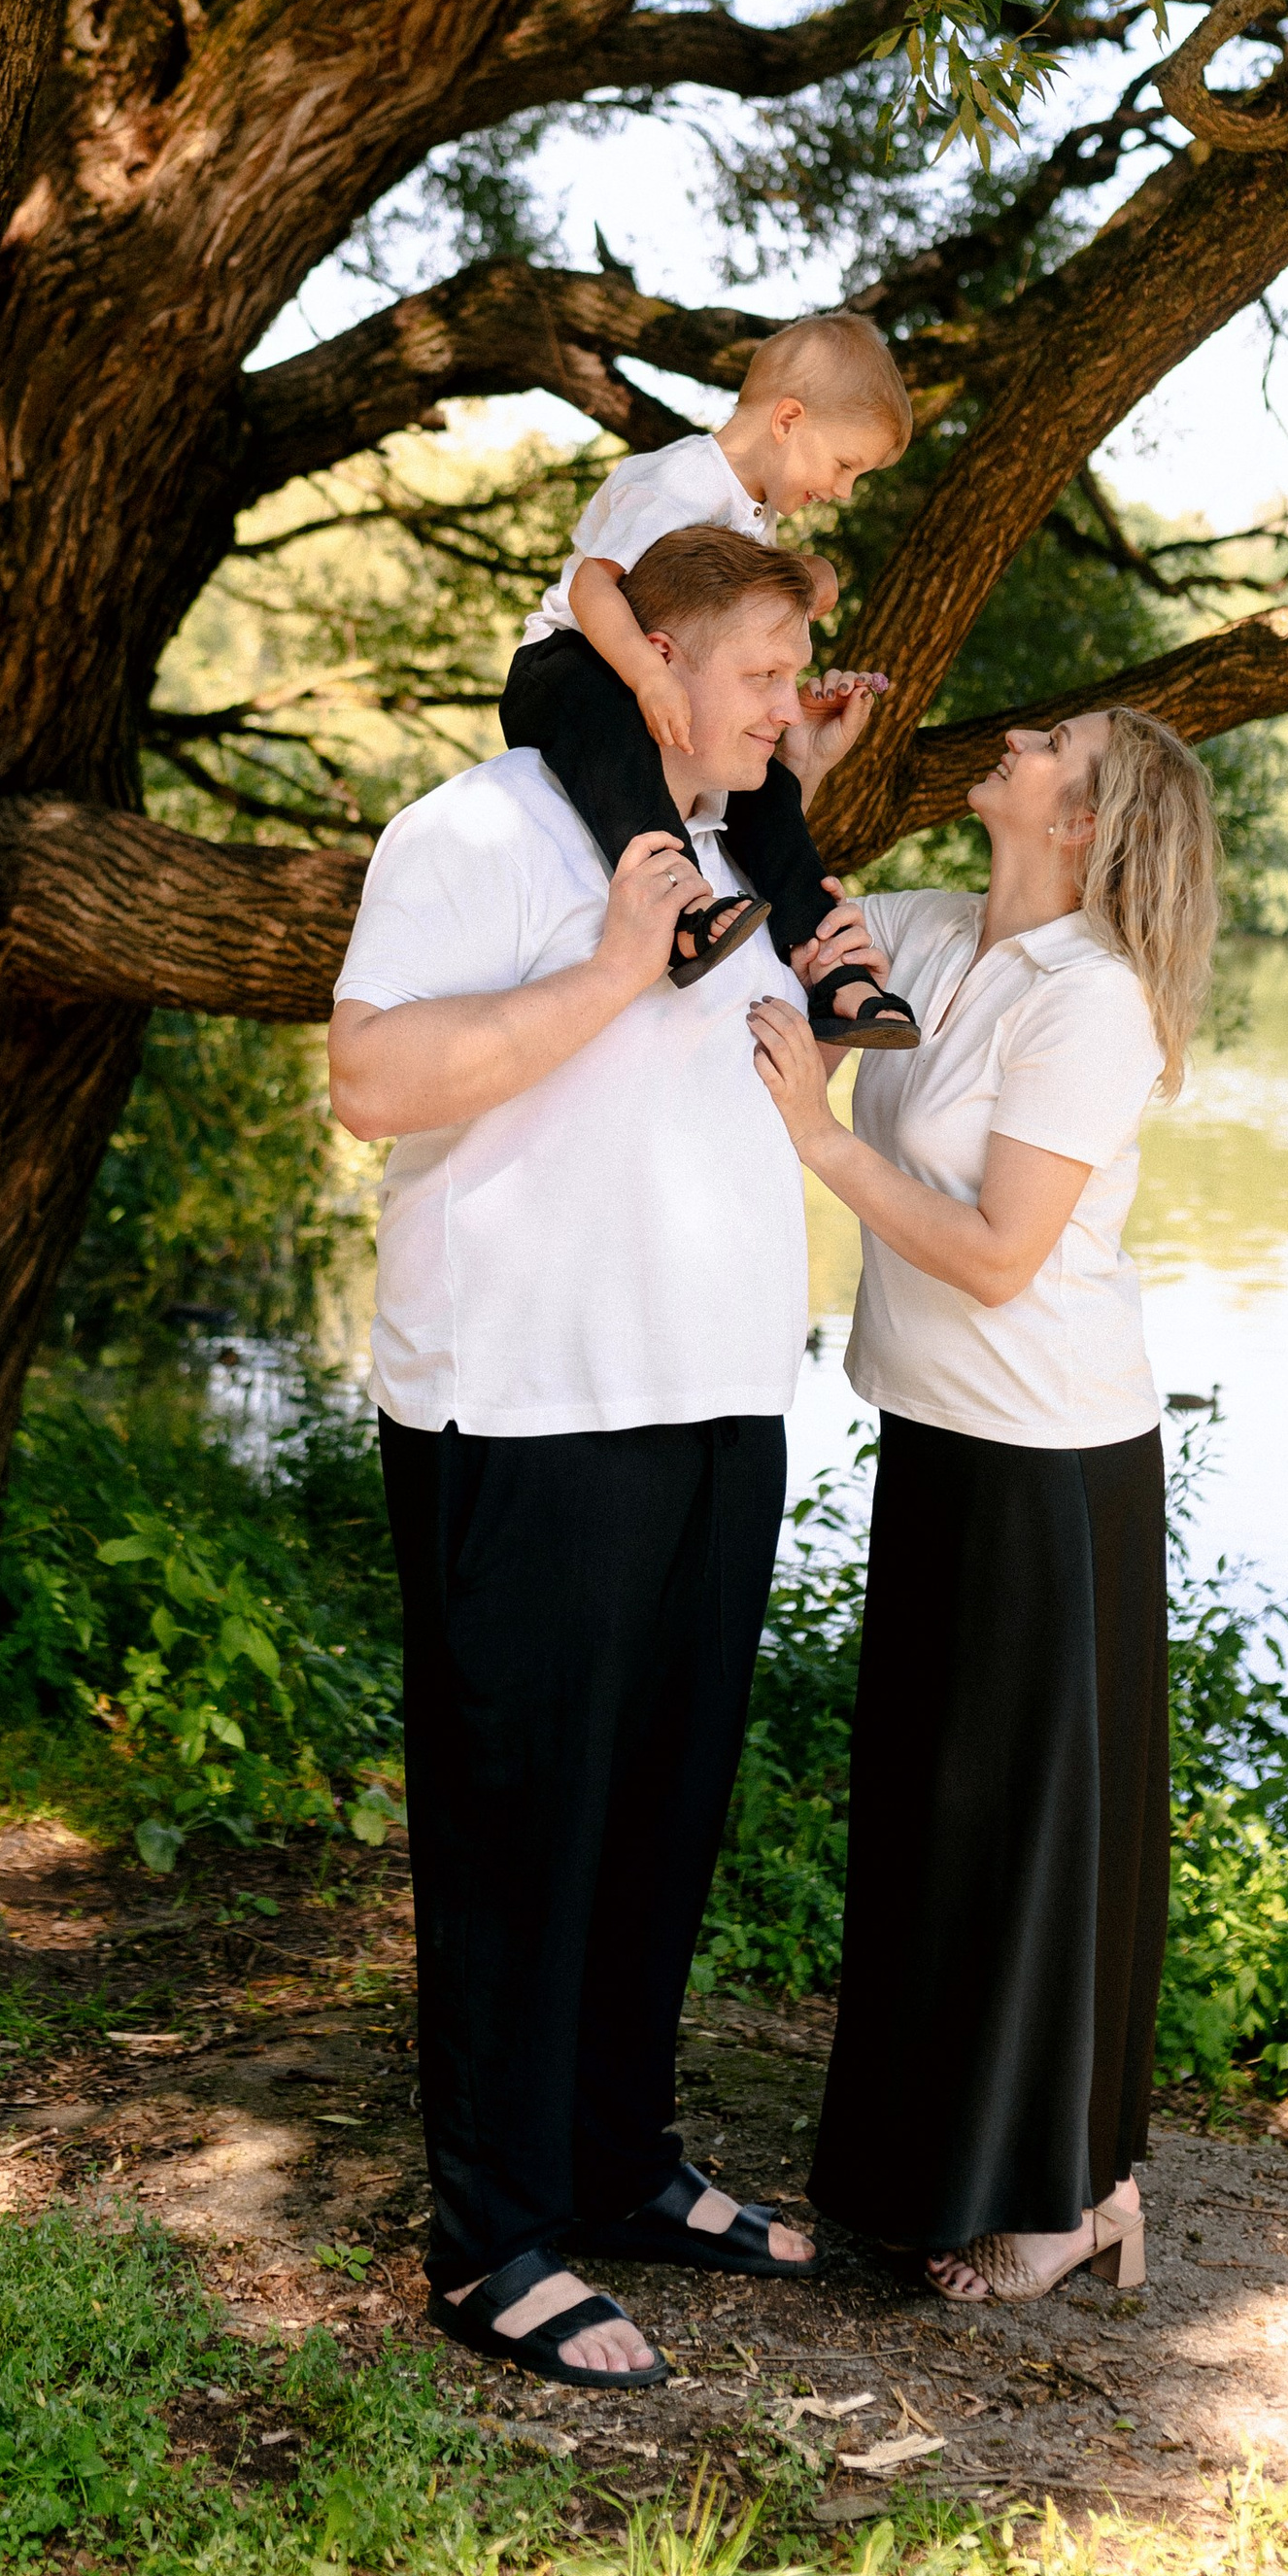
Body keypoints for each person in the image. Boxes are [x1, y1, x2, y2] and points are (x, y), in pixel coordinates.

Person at [328, 530, 873, 2390]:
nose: (785, 709)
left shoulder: (737, 848)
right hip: (529, 1405)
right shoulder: (477, 833)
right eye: (759, 676)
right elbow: (371, 1082)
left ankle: (620, 2166)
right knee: (519, 1834)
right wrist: (614, 973)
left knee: (658, 1820)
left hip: (715, 1395)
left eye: (797, 678)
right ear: (657, 667)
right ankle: (491, 2240)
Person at [746, 706, 1222, 2304]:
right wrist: (788, 780)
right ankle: (930, 2166)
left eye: (1051, 742)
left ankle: (1077, 2189)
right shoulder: (944, 935)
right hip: (941, 1431)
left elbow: (1004, 1248)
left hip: (1054, 1458)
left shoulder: (1095, 1001)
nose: (1013, 735)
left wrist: (817, 1136)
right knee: (934, 1819)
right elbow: (775, 901)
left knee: (1033, 1839)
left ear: (1081, 820)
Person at [500, 315, 923, 1049]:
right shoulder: (680, 480)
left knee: (769, 795)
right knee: (618, 738)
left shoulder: (750, 520)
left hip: (649, 674)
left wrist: (779, 689)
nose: (846, 491)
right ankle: (680, 912)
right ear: (789, 420)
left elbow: (736, 632)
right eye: (845, 465)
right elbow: (593, 591)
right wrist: (645, 678)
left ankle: (828, 963)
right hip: (570, 669)